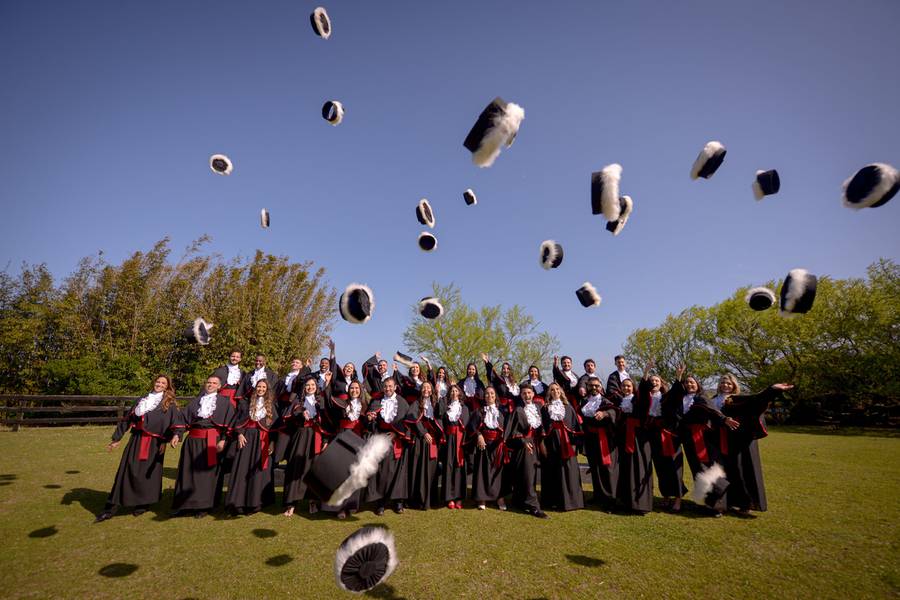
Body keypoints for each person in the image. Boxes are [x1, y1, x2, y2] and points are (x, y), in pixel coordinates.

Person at [96, 375, 180, 522]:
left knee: (148, 475)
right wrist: (116, 439)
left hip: (155, 444)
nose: (159, 384)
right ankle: (110, 508)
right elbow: (128, 419)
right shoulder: (143, 399)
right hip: (136, 440)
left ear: (167, 386)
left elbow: (177, 423)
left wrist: (175, 436)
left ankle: (143, 504)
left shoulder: (169, 403)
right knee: (127, 471)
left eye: (163, 383)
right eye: (158, 381)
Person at [664, 367, 738, 516]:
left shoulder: (702, 398)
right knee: (697, 470)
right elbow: (670, 399)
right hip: (687, 439)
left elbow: (713, 411)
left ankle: (718, 505)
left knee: (708, 469)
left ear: (697, 384)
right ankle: (706, 503)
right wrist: (678, 378)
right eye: (687, 383)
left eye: (692, 382)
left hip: (703, 438)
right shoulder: (680, 398)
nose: (690, 385)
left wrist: (725, 419)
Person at [715, 375, 793, 514]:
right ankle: (730, 502)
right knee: (727, 471)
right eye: (722, 382)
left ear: (733, 385)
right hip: (719, 440)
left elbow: (757, 400)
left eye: (728, 383)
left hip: (740, 440)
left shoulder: (738, 399)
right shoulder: (713, 399)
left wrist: (772, 390)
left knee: (742, 470)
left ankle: (746, 504)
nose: (725, 385)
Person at [171, 375, 236, 517]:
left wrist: (224, 440)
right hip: (192, 440)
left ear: (219, 387)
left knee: (207, 474)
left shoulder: (225, 403)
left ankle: (204, 506)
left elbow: (230, 425)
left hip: (212, 440)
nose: (211, 385)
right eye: (208, 382)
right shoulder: (195, 402)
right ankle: (185, 505)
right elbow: (182, 419)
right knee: (187, 472)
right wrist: (177, 434)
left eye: (214, 383)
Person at [225, 379, 277, 515]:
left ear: (267, 390)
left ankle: (254, 503)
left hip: (262, 441)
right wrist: (240, 434)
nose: (260, 389)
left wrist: (272, 443)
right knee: (242, 470)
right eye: (259, 386)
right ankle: (238, 502)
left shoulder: (271, 405)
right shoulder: (246, 403)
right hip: (246, 439)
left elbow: (276, 428)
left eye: (263, 387)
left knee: (258, 472)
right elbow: (237, 421)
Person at [282, 376, 330, 517]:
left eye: (312, 385)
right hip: (301, 436)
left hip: (316, 437)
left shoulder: (321, 401)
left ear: (316, 386)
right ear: (304, 387)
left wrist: (326, 440)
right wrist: (301, 414)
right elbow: (290, 416)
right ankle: (291, 503)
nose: (310, 387)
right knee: (296, 467)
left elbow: (327, 422)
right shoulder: (298, 401)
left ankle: (313, 501)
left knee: (313, 470)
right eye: (307, 385)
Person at [642, 365, 686, 511]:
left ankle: (678, 499)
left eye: (657, 381)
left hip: (668, 436)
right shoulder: (645, 397)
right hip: (653, 435)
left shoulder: (666, 397)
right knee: (660, 467)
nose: (654, 382)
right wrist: (646, 372)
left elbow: (677, 392)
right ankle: (666, 497)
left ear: (661, 384)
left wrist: (678, 377)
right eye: (652, 380)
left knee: (673, 467)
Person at [364, 377, 410, 515]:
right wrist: (370, 419)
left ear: (395, 387)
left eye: (390, 386)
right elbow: (371, 423)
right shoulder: (376, 401)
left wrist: (397, 434)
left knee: (398, 473)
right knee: (382, 472)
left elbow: (407, 423)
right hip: (381, 439)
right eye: (385, 386)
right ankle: (381, 503)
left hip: (397, 440)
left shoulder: (402, 402)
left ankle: (398, 502)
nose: (388, 389)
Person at [502, 384, 548, 518]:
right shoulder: (518, 410)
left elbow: (541, 428)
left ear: (533, 394)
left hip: (535, 444)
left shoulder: (538, 408)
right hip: (524, 446)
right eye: (524, 393)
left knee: (528, 474)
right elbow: (511, 432)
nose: (527, 396)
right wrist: (523, 442)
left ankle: (519, 501)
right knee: (528, 475)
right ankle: (534, 506)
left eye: (529, 393)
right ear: (521, 395)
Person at [540, 382, 584, 511]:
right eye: (552, 389)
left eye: (557, 389)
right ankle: (552, 501)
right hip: (551, 442)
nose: (555, 391)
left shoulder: (568, 407)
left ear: (561, 391)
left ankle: (571, 502)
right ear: (549, 393)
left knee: (569, 471)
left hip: (567, 443)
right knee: (552, 471)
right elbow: (541, 427)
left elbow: (576, 427)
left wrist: (575, 445)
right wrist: (542, 445)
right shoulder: (545, 408)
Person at [615, 374, 653, 513]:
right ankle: (626, 502)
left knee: (639, 468)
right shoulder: (619, 401)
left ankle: (640, 504)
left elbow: (645, 396)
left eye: (629, 386)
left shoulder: (637, 400)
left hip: (639, 439)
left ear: (633, 388)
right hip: (624, 438)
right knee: (625, 469)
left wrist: (645, 375)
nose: (626, 388)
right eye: (624, 386)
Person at [579, 376, 618, 509]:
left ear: (600, 386)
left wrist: (605, 413)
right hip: (590, 438)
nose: (594, 388)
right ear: (588, 387)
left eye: (596, 385)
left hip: (604, 439)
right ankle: (598, 496)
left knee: (607, 468)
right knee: (594, 467)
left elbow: (614, 411)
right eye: (591, 386)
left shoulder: (605, 401)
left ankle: (610, 499)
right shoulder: (584, 401)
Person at [469, 387, 508, 511]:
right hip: (483, 444)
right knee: (482, 471)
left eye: (492, 393)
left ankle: (499, 498)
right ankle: (482, 498)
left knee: (498, 472)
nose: (489, 395)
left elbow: (507, 427)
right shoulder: (479, 411)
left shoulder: (502, 411)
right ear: (484, 396)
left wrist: (503, 440)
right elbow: (471, 427)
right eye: (486, 394)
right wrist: (479, 436)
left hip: (498, 445)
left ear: (495, 396)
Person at [405, 381, 441, 510]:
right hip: (420, 440)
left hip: (433, 440)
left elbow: (441, 417)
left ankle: (430, 499)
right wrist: (424, 433)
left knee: (431, 470)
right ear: (421, 390)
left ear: (431, 390)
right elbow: (413, 417)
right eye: (424, 387)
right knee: (418, 468)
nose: (426, 389)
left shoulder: (436, 403)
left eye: (428, 387)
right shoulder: (416, 403)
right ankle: (417, 500)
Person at [272, 357, 309, 464]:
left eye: (297, 362)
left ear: (301, 366)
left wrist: (306, 367)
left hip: (294, 408)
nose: (294, 364)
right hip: (281, 407)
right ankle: (277, 457)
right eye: (293, 362)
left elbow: (301, 379)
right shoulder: (284, 377)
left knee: (290, 433)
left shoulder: (303, 377)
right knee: (280, 433)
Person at [437, 384, 469, 509]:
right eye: (452, 391)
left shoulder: (464, 408)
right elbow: (441, 419)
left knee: (459, 467)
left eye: (456, 391)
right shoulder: (446, 407)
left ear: (460, 393)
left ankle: (459, 497)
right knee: (448, 466)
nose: (454, 393)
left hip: (460, 440)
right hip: (448, 440)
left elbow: (466, 425)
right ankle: (449, 498)